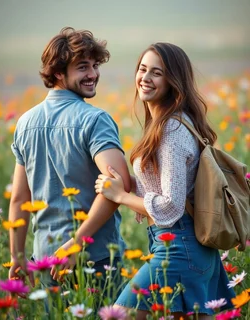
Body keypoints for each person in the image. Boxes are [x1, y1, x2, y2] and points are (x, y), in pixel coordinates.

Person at [95, 43, 235, 320]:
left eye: (156, 73)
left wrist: (120, 196)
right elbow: (174, 185)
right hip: (186, 248)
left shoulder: (171, 129)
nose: (145, 77)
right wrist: (130, 182)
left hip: (179, 246)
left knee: (117, 315)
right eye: (142, 69)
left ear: (173, 82)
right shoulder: (169, 123)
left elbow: (171, 206)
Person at [8, 27, 131, 291]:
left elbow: (20, 198)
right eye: (83, 67)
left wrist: (17, 255)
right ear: (57, 73)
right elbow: (119, 184)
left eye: (95, 65)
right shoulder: (95, 120)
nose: (93, 74)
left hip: (44, 261)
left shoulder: (25, 123)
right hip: (94, 260)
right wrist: (76, 243)